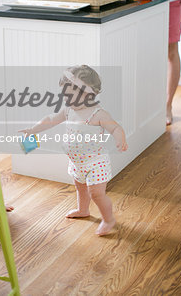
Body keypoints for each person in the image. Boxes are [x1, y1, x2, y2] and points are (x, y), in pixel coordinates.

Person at [20, 65, 128, 236]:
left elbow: (115, 128)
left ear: (90, 93)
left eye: (71, 96)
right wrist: (33, 130)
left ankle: (108, 219)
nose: (67, 99)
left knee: (97, 194)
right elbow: (50, 119)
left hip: (95, 163)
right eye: (65, 95)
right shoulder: (69, 110)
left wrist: (120, 138)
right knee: (81, 188)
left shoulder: (98, 114)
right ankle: (82, 209)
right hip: (77, 163)